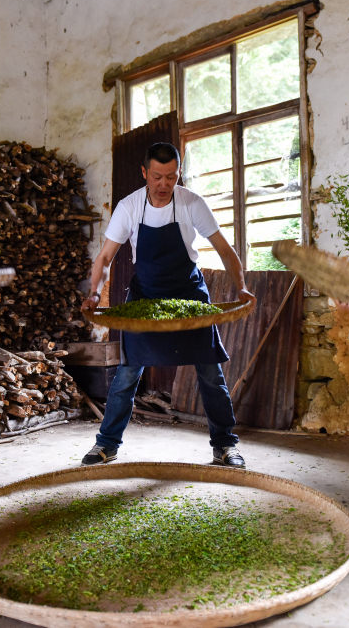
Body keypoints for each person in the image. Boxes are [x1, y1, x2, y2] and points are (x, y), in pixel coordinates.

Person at [80, 143, 257, 468]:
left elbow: (225, 250)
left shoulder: (191, 203)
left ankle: (225, 446)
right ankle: (106, 444)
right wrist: (95, 293)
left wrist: (242, 287)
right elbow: (105, 258)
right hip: (146, 298)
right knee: (127, 373)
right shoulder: (130, 206)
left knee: (210, 371)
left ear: (179, 173)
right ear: (145, 173)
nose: (164, 184)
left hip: (188, 296)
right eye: (157, 177)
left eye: (171, 177)